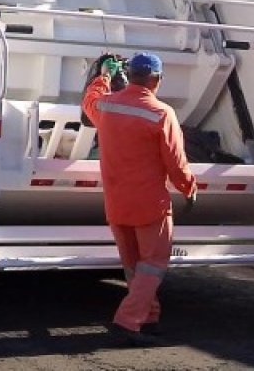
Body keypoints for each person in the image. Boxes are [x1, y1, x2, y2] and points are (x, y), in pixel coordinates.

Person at [81, 52, 198, 345]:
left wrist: (104, 75)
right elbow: (175, 161)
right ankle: (127, 320)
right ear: (156, 79)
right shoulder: (161, 113)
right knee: (154, 264)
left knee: (135, 266)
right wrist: (189, 188)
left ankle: (149, 318)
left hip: (116, 203)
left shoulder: (106, 106)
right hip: (149, 203)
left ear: (129, 75)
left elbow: (89, 100)